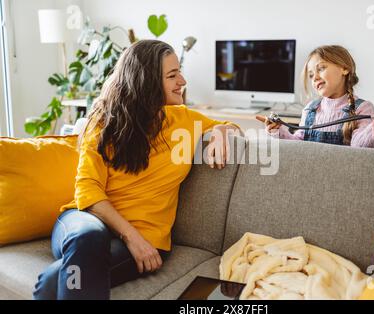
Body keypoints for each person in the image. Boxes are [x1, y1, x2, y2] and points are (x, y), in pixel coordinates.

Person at [33, 40, 241, 300]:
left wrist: (222, 130)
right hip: (83, 220)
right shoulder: (103, 122)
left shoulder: (183, 120)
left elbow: (231, 126)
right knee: (89, 237)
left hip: (149, 236)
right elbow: (87, 190)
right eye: (172, 75)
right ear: (147, 82)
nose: (183, 80)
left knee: (54, 281)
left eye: (180, 72)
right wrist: (132, 238)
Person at [256, 45, 374, 147]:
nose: (314, 78)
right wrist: (278, 131)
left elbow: (359, 145)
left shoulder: (363, 108)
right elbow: (298, 144)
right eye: (310, 75)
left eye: (321, 68)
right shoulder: (310, 109)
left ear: (344, 68)